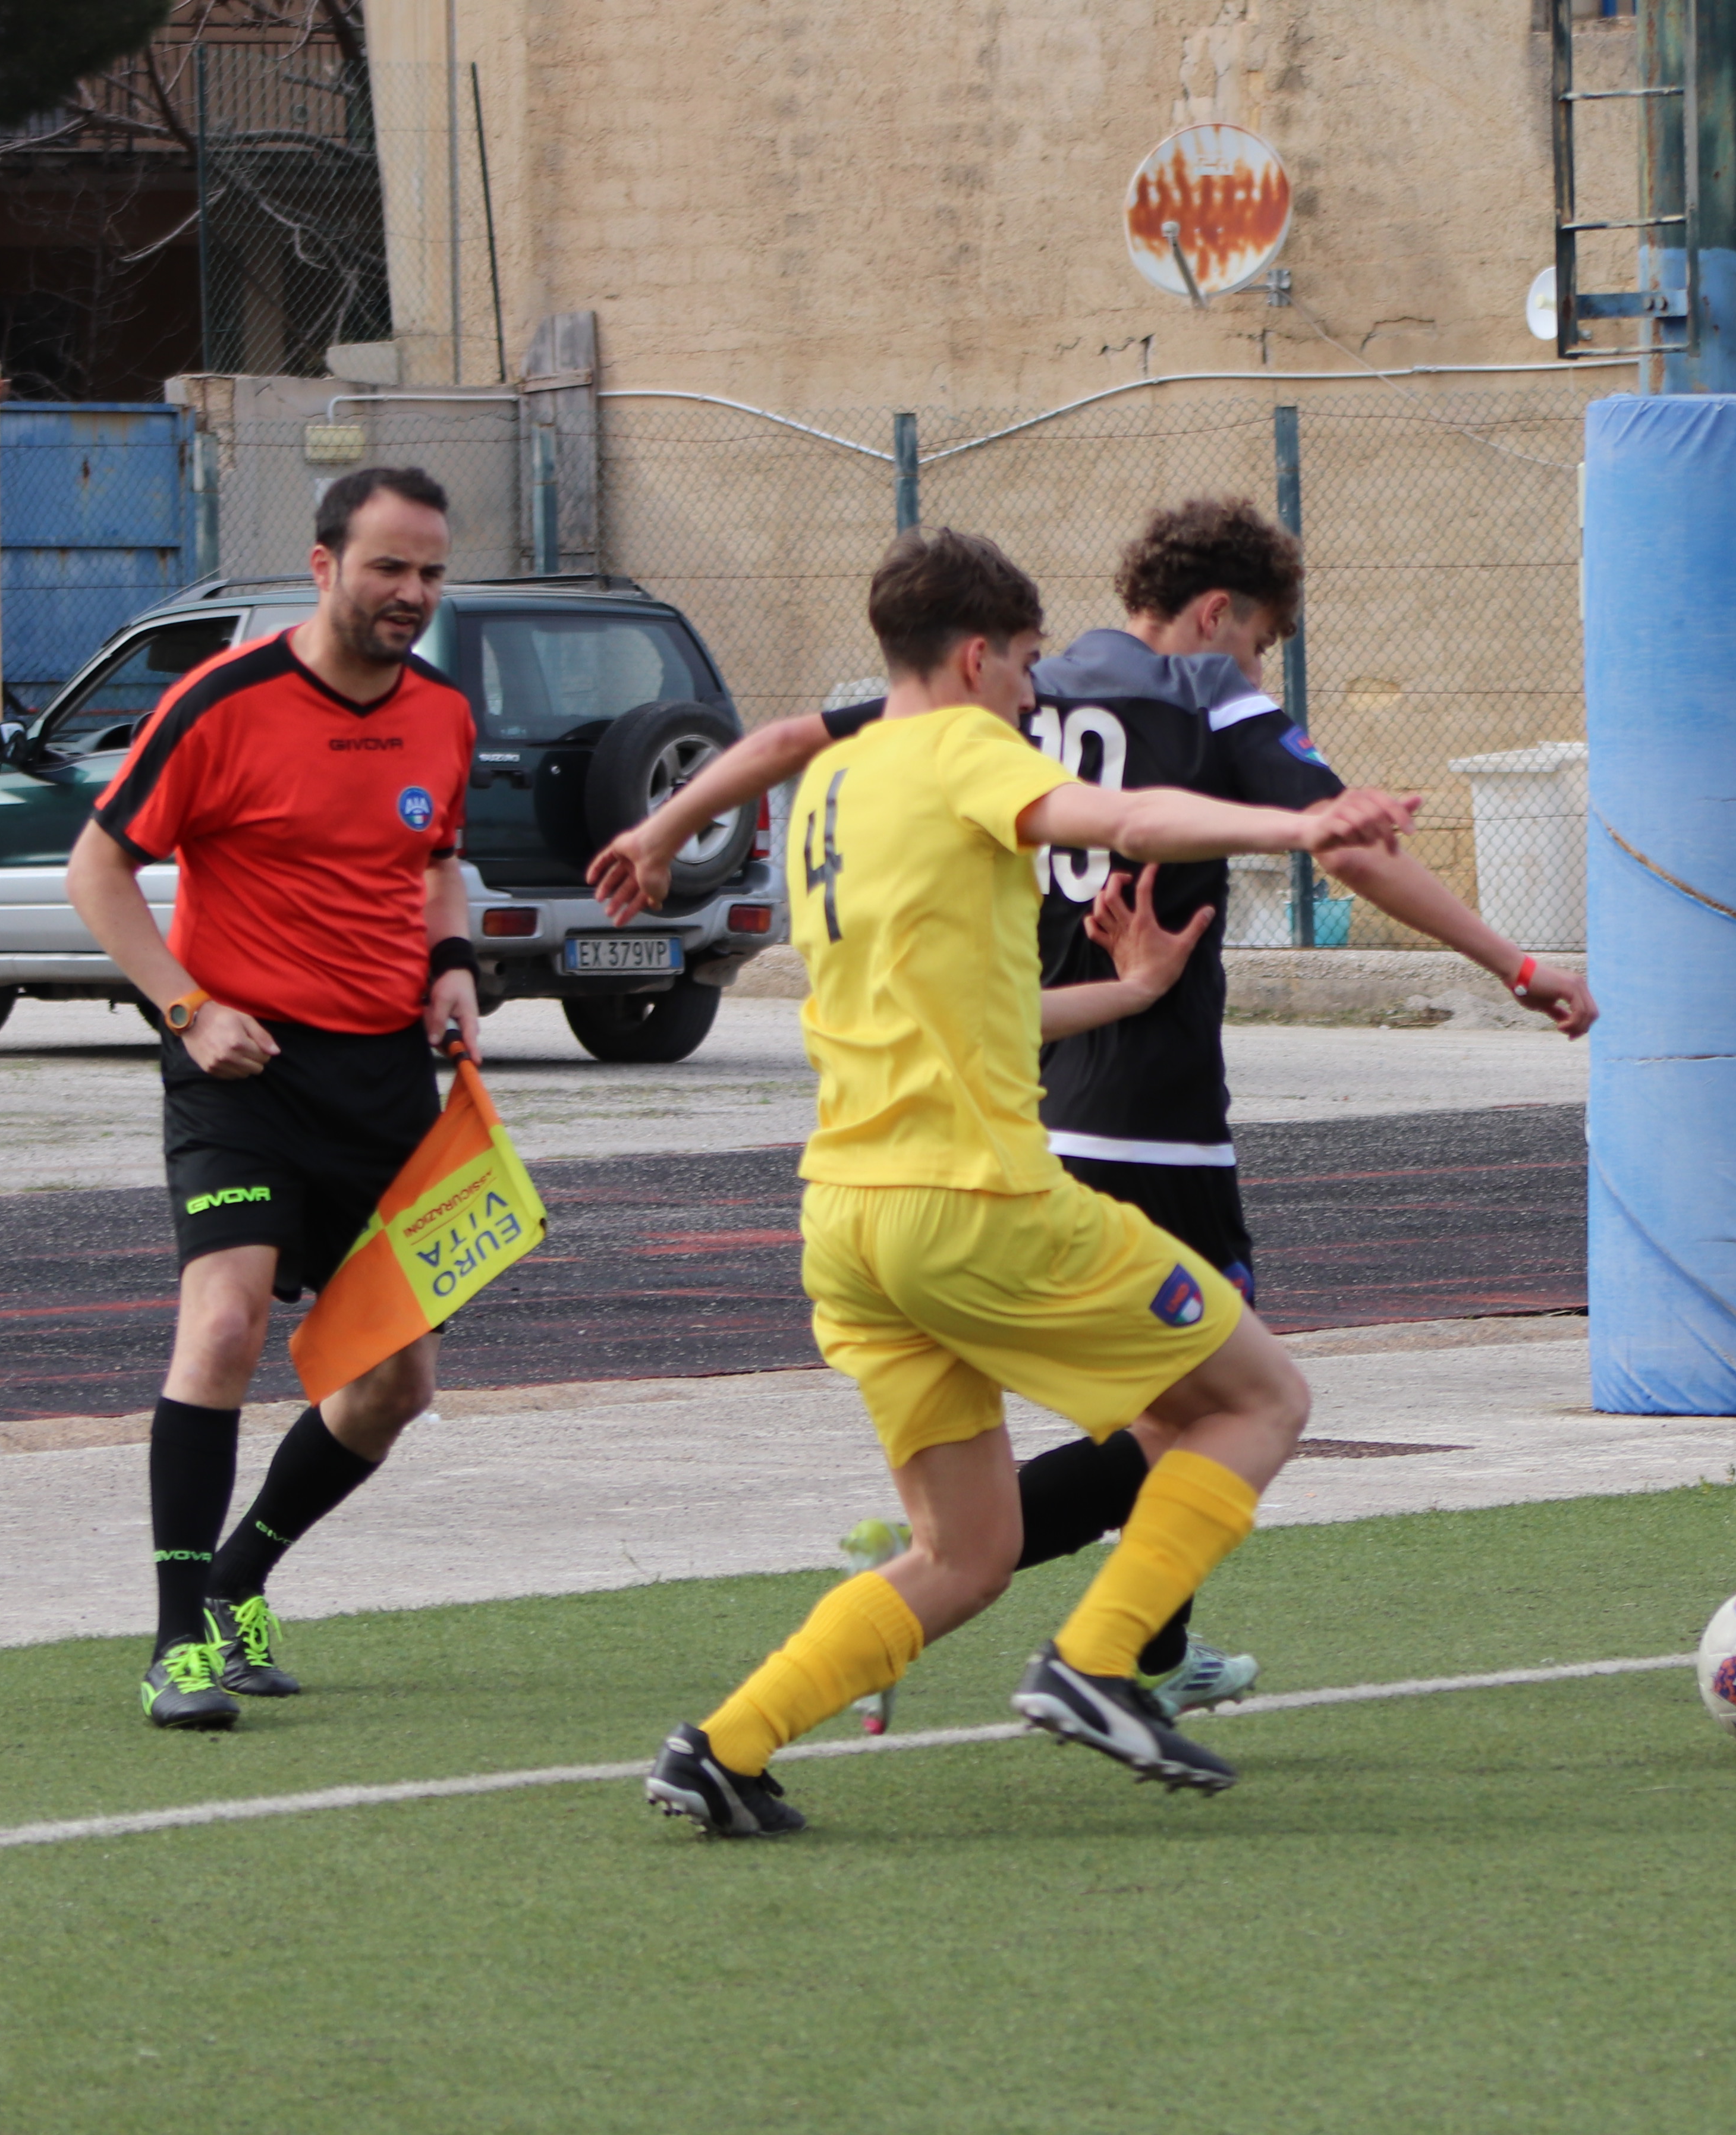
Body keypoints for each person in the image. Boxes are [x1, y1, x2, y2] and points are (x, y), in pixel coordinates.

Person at [592, 499, 1596, 1731]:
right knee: (1233, 1404)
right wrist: (1475, 936)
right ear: (1217, 615)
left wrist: (662, 828)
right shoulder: (1163, 699)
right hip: (1088, 1143)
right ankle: (1113, 1652)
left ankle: (793, 1708)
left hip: (921, 1160)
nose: (1257, 671)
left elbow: (792, 742)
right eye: (1260, 645)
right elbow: (1173, 825)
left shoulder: (892, 749)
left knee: (1062, 1483)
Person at [62, 464, 482, 1730]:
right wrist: (187, 1009)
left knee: (396, 1385)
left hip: (385, 1082)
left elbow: (439, 859)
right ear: (323, 565)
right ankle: (174, 1644)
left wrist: (453, 964)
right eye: (389, 566)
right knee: (225, 1326)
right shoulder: (219, 701)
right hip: (239, 1072)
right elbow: (97, 871)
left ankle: (238, 1579)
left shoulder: (445, 714)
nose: (411, 592)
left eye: (430, 572)